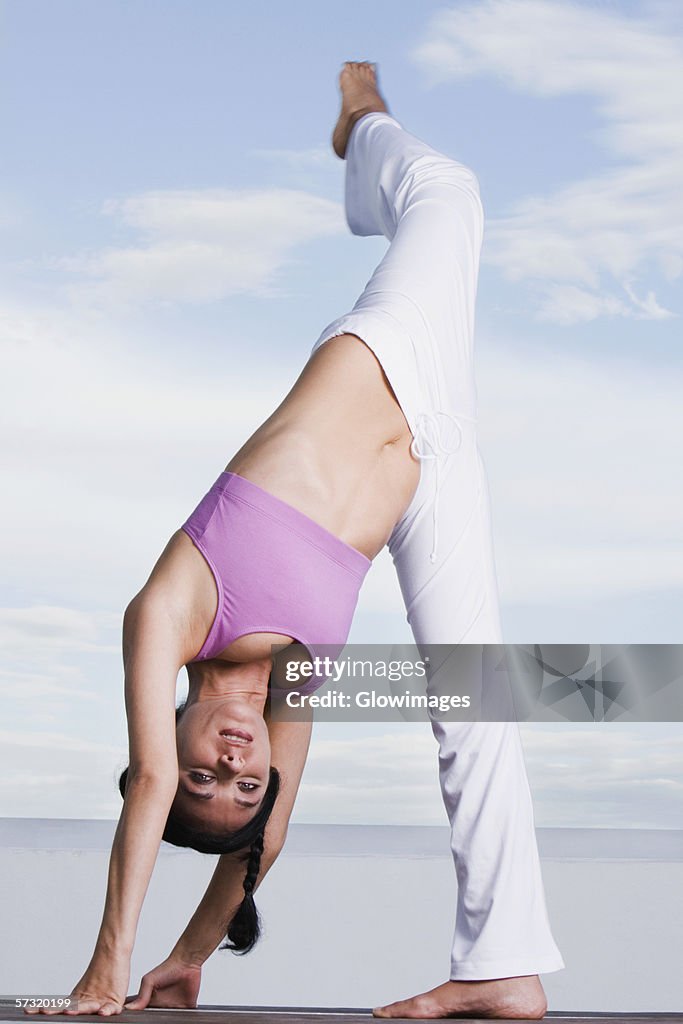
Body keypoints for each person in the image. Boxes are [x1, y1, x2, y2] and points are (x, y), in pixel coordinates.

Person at [26, 62, 563, 1020]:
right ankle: (506, 965)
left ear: (177, 734)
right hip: (432, 474)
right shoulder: (294, 684)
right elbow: (264, 838)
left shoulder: (174, 609)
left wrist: (110, 965)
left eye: (205, 769)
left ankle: (360, 127)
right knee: (475, 699)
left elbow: (145, 781)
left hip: (389, 354)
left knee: (450, 192)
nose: (231, 761)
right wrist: (192, 955)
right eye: (242, 781)